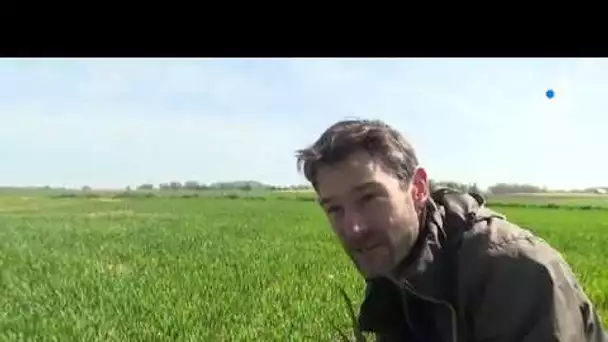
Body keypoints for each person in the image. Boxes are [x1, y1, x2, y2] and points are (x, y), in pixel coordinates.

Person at [295, 118, 607, 342]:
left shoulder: (516, 271)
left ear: (417, 189)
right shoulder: (394, 264)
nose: (353, 228)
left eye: (369, 198)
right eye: (334, 209)